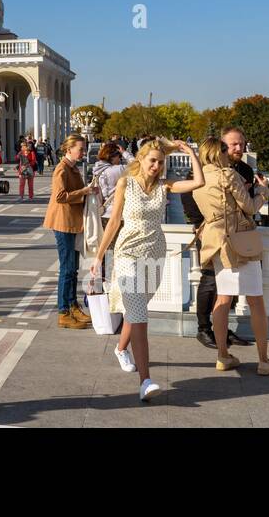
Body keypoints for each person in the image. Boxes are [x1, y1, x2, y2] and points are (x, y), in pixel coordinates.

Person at [91, 138, 204, 402]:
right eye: (152, 160)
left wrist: (189, 152)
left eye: (161, 162)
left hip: (155, 254)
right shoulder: (125, 183)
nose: (156, 165)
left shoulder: (165, 186)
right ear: (140, 160)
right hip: (128, 253)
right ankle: (146, 381)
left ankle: (121, 349)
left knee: (138, 308)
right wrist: (98, 257)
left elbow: (198, 182)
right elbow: (114, 221)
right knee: (140, 315)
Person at [193, 137, 269, 374]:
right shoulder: (227, 174)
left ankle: (222, 355)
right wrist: (263, 191)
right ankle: (263, 360)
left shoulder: (198, 180)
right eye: (225, 151)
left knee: (223, 300)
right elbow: (249, 207)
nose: (229, 154)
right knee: (256, 300)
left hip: (215, 242)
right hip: (239, 241)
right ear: (218, 153)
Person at [192, 127, 258, 349]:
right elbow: (191, 196)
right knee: (211, 281)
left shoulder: (245, 170)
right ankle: (204, 329)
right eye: (233, 145)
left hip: (238, 233)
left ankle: (223, 333)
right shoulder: (205, 171)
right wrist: (198, 223)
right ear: (221, 147)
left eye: (242, 144)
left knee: (228, 288)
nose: (239, 148)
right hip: (213, 231)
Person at [44, 134, 97, 329]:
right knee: (67, 269)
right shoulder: (62, 169)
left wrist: (89, 190)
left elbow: (76, 192)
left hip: (72, 222)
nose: (83, 152)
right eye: (80, 149)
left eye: (84, 149)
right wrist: (84, 192)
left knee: (73, 269)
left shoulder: (72, 167)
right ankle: (63, 311)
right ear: (69, 149)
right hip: (63, 222)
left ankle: (73, 306)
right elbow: (60, 196)